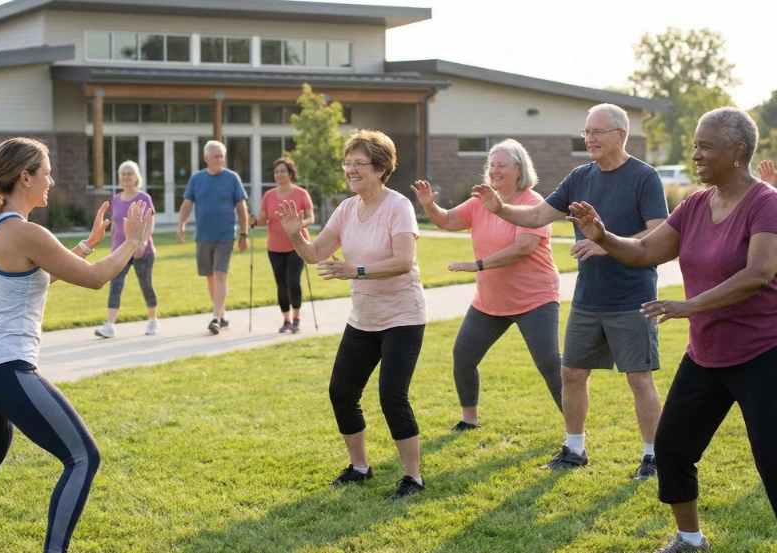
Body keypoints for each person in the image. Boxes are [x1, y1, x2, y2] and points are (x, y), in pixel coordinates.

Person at [569, 108, 777, 553]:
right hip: (707, 354)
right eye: (696, 145)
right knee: (673, 448)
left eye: (705, 146)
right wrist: (604, 236)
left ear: (737, 151)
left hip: (763, 352)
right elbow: (645, 250)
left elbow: (759, 274)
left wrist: (691, 305)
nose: (695, 154)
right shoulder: (697, 204)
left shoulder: (766, 203)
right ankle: (689, 539)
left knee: (772, 459)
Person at [0, 137, 153, 553]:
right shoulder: (26, 231)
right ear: (25, 176)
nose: (52, 180)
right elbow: (94, 278)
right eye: (47, 172)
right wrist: (132, 242)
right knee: (83, 457)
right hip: (3, 368)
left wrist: (87, 244)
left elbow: (38, 276)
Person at [472, 103, 669, 479]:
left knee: (638, 378)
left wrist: (605, 242)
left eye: (597, 132)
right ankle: (574, 450)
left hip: (631, 294)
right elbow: (534, 216)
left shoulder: (644, 177)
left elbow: (658, 233)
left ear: (621, 135)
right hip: (588, 297)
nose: (589, 139)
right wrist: (500, 208)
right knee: (572, 374)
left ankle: (653, 457)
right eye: (586, 132)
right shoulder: (579, 176)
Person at [277, 129, 428, 500]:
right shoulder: (347, 209)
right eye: (348, 163)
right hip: (364, 317)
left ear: (379, 168)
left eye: (359, 164)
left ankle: (413, 478)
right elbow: (314, 254)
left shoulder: (398, 207)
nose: (351, 170)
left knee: (392, 394)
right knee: (342, 391)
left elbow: (404, 261)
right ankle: (360, 467)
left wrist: (355, 270)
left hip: (402, 316)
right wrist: (296, 236)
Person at [411, 139, 562, 431]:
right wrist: (431, 206)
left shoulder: (533, 204)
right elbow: (448, 220)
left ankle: (575, 432)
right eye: (491, 165)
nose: (494, 170)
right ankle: (470, 420)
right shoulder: (482, 200)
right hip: (490, 301)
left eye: (501, 165)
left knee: (548, 363)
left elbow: (523, 248)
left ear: (519, 169)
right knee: (464, 355)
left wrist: (477, 264)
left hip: (535, 299)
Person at [176, 140, 249, 335]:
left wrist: (244, 234)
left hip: (225, 236)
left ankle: (215, 317)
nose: (220, 160)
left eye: (222, 156)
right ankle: (222, 315)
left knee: (220, 274)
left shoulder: (232, 178)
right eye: (216, 156)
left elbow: (242, 208)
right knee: (210, 278)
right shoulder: (197, 179)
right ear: (206, 158)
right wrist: (181, 225)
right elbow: (186, 205)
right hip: (203, 236)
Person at [94, 160, 159, 338]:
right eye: (123, 174)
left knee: (146, 285)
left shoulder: (144, 198)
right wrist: (112, 249)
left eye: (129, 173)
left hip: (142, 252)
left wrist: (143, 242)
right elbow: (116, 226)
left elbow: (149, 223)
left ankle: (153, 321)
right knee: (115, 285)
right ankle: (109, 326)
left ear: (136, 177)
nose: (126, 177)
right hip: (120, 251)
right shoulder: (116, 199)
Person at [249, 157, 314, 333]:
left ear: (291, 173)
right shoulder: (269, 196)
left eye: (282, 171)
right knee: (281, 283)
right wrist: (254, 221)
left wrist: (301, 224)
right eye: (276, 171)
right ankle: (286, 320)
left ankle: (296, 318)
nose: (279, 174)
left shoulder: (301, 194)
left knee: (293, 280)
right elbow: (263, 219)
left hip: (297, 245)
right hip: (274, 246)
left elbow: (310, 217)